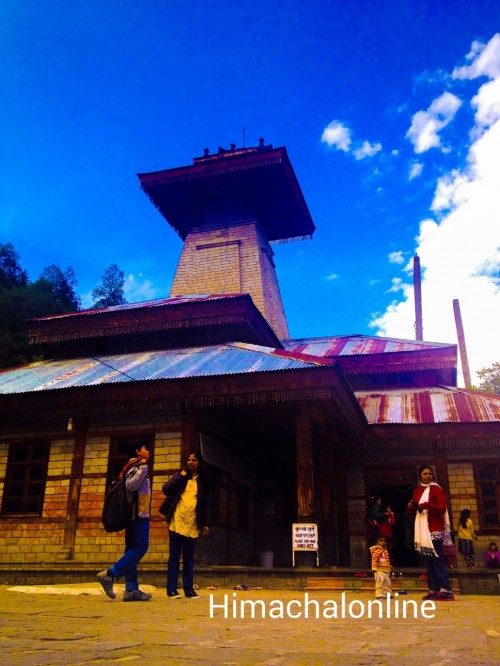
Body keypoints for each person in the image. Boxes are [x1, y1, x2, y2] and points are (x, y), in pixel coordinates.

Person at [97, 443, 152, 601]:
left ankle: (131, 589)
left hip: (132, 516)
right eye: (145, 448)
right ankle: (110, 574)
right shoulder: (137, 466)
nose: (148, 451)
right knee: (141, 547)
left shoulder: (129, 467)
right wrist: (143, 468)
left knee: (131, 551)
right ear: (137, 451)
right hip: (138, 516)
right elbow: (131, 485)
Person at [162, 449, 210, 599]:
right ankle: (171, 590)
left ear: (199, 463)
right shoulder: (181, 476)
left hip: (192, 522)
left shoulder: (203, 481)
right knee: (174, 556)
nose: (190, 462)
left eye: (193, 460)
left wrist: (206, 523)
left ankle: (189, 590)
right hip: (177, 520)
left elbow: (206, 504)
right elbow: (166, 489)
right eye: (189, 460)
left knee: (189, 557)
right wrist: (181, 476)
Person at [406, 465, 455, 601]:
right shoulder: (417, 490)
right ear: (420, 476)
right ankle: (433, 589)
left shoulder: (436, 489)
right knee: (428, 561)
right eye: (425, 474)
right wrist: (410, 507)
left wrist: (427, 505)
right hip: (422, 529)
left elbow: (442, 508)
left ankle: (446, 590)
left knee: (438, 560)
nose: (428, 476)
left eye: (429, 474)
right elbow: (415, 509)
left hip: (434, 529)